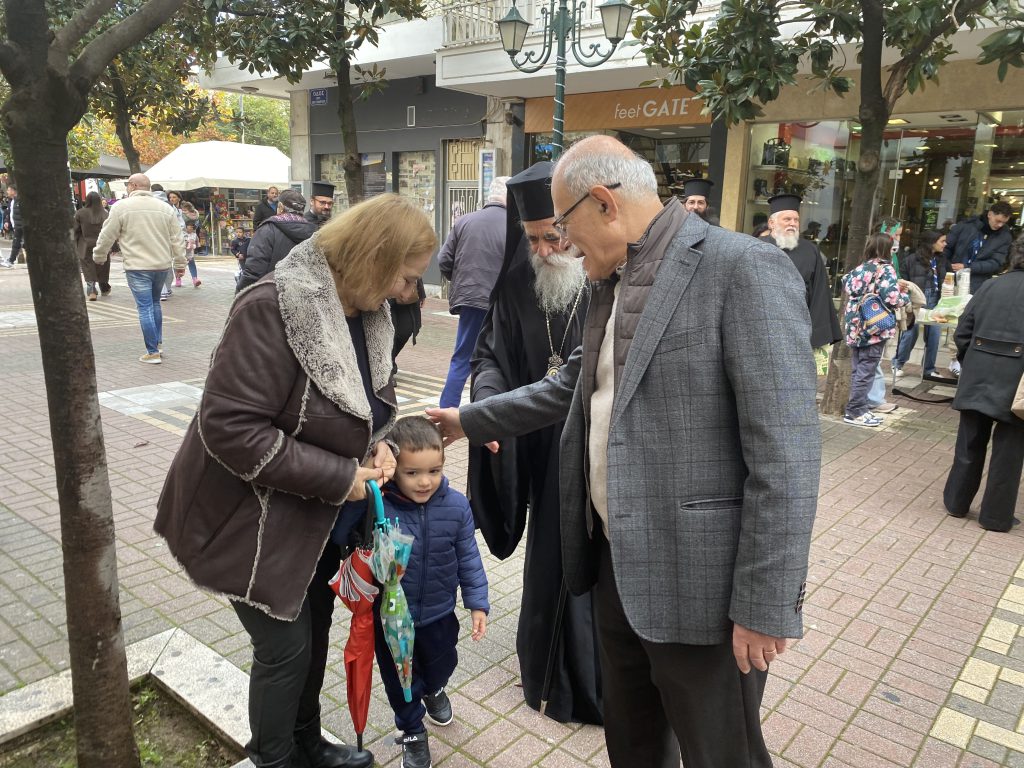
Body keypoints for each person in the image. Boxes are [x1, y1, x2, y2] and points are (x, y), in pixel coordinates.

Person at [429, 135, 820, 768]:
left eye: (565, 225)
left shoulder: (740, 268)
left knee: (721, 754)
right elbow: (574, 383)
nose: (562, 243)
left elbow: (788, 455)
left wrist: (766, 602)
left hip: (704, 589)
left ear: (604, 202)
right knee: (633, 746)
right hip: (613, 569)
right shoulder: (612, 280)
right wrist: (467, 421)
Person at [154, 193, 437, 768]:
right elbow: (230, 427)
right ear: (374, 258)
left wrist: (380, 442)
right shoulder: (273, 306)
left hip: (315, 518)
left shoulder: (369, 312)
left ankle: (308, 743)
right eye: (403, 277)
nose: (406, 292)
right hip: (249, 517)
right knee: (284, 649)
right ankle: (275, 757)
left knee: (314, 628)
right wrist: (341, 476)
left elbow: (367, 399)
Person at [468, 161, 601, 724]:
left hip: (594, 447)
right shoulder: (516, 283)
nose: (544, 250)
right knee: (549, 556)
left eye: (554, 237)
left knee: (594, 559)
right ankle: (546, 674)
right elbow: (491, 356)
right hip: (536, 444)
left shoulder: (607, 278)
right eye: (533, 239)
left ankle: (594, 681)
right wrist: (490, 414)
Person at [332, 416, 488, 768]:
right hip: (389, 620)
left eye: (434, 470)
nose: (425, 481)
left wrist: (477, 603)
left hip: (439, 613)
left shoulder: (456, 506)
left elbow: (468, 556)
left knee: (441, 664)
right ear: (393, 470)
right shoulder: (378, 503)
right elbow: (340, 535)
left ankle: (434, 689)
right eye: (413, 472)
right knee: (400, 680)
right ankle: (412, 729)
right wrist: (361, 497)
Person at [943, 238, 1024, 532]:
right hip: (1016, 383)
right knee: (1009, 453)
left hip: (978, 375)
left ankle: (956, 502)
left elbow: (963, 331)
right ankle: (995, 516)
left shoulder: (991, 285)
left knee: (969, 443)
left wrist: (971, 362)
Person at [93, 174, 186, 364]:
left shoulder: (121, 207)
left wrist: (99, 256)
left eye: (128, 185)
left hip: (137, 266)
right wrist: (180, 264)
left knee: (144, 308)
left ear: (134, 186)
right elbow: (177, 238)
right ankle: (158, 344)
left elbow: (107, 235)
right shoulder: (165, 208)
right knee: (155, 304)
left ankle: (152, 352)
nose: (127, 188)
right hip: (161, 265)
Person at [436, 176, 510, 407]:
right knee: (497, 359)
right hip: (501, 303)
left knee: (462, 358)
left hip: (470, 302)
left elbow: (443, 260)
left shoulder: (464, 222)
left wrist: (461, 282)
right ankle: (485, 409)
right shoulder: (514, 225)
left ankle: (446, 411)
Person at [840, 233, 910, 427]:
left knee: (858, 369)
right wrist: (906, 297)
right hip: (873, 326)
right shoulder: (885, 269)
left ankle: (858, 409)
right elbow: (892, 298)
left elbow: (846, 283)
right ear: (888, 249)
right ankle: (855, 411)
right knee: (867, 369)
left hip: (855, 324)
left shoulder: (861, 268)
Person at [765, 194, 843, 351]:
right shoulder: (756, 248)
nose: (792, 224)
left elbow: (820, 292)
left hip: (799, 330)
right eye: (787, 219)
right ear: (771, 223)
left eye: (796, 220)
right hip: (764, 327)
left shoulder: (810, 250)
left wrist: (816, 337)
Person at [892, 230, 948, 379]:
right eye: (942, 241)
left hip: (935, 299)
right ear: (932, 242)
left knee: (934, 335)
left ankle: (929, 369)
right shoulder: (911, 259)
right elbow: (903, 280)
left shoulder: (941, 260)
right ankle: (897, 363)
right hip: (916, 300)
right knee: (911, 332)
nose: (945, 244)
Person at [237, 189, 317, 292]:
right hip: (304, 298)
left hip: (272, 297)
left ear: (280, 207)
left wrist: (240, 294)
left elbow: (254, 270)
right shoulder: (314, 233)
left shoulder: (267, 230)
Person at [944, 201, 1014, 295]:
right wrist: (946, 266)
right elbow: (946, 247)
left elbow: (996, 262)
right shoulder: (966, 226)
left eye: (1004, 222)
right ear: (990, 214)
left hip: (978, 282)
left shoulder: (1005, 237)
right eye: (998, 221)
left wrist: (968, 267)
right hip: (950, 276)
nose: (1000, 225)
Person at [74, 191, 110, 300]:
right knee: (103, 266)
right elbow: (110, 230)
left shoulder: (80, 213)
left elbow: (75, 230)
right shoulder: (105, 213)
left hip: (84, 244)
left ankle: (91, 290)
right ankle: (104, 287)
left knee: (87, 266)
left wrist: (74, 243)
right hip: (102, 243)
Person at [389, 278, 426, 374]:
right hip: (385, 295)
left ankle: (388, 361)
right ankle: (388, 369)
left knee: (406, 330)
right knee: (389, 333)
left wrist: (421, 291)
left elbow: (416, 266)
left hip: (406, 293)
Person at [1, 184, 23, 267]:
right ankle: (11, 260)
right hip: (16, 226)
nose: (7, 191)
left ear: (14, 191)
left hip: (20, 226)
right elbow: (9, 213)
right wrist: (7, 222)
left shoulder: (20, 201)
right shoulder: (12, 201)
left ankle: (11, 261)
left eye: (9, 190)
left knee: (16, 243)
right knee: (22, 244)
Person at [175, 222, 202, 288]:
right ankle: (178, 279)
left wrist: (194, 246)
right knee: (179, 268)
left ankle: (195, 280)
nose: (191, 228)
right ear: (186, 227)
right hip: (181, 254)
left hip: (190, 254)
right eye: (190, 226)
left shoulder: (194, 235)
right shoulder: (181, 233)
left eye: (192, 227)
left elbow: (198, 244)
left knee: (192, 266)